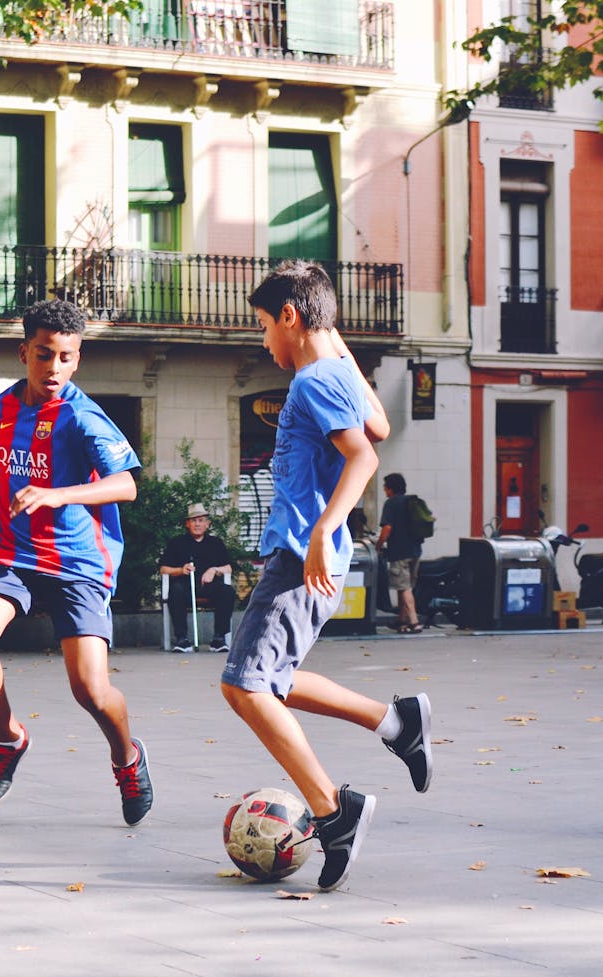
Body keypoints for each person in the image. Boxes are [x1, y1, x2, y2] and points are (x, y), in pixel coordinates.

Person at [219, 260, 433, 892]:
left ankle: (334, 811)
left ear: (289, 317)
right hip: (306, 554)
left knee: (245, 687)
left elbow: (364, 455)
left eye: (264, 326)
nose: (263, 341)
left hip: (299, 553)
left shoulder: (315, 380)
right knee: (270, 680)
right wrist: (331, 333)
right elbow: (382, 427)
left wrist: (321, 528)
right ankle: (396, 721)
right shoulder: (336, 370)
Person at [0, 299, 152, 826]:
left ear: (77, 359)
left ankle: (127, 758)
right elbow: (6, 465)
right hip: (14, 554)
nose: (53, 368)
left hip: (79, 563)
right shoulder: (4, 407)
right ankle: (9, 738)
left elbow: (126, 485)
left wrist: (58, 496)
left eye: (65, 357)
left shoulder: (84, 418)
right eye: (43, 355)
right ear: (24, 353)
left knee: (90, 691)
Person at [159, 503, 236, 652]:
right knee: (175, 591)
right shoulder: (177, 543)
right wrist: (181, 570)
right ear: (187, 524)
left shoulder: (216, 543)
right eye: (194, 521)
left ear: (207, 524)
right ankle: (182, 639)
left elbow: (228, 568)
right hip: (185, 587)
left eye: (201, 520)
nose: (197, 524)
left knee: (227, 591)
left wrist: (214, 570)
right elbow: (163, 569)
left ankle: (219, 638)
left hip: (209, 587)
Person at [376, 472, 423, 634]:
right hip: (415, 551)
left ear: (390, 488)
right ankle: (401, 621)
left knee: (404, 588)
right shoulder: (412, 502)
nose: (384, 490)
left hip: (400, 553)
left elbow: (387, 528)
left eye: (385, 487)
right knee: (405, 586)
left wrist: (379, 545)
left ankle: (414, 622)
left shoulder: (391, 503)